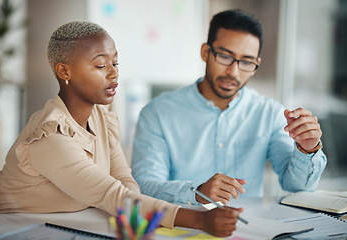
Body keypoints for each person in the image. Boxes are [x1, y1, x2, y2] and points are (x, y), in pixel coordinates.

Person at [0, 20, 243, 237]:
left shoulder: (102, 119)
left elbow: (124, 180)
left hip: (56, 227)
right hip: (2, 231)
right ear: (64, 71)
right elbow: (113, 195)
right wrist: (200, 220)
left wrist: (137, 218)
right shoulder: (50, 139)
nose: (114, 74)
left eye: (115, 63)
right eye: (101, 65)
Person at [131, 9, 327, 205]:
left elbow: (297, 188)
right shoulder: (157, 113)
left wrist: (307, 150)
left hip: (250, 230)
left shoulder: (268, 112)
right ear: (205, 52)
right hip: (182, 228)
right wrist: (196, 192)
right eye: (225, 56)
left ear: (256, 64)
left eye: (246, 62)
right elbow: (144, 186)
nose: (233, 72)